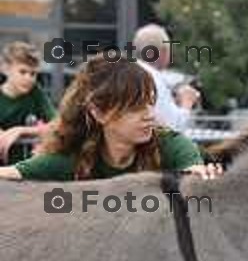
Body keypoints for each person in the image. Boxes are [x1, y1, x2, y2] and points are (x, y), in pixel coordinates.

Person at [0, 55, 221, 181]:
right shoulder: (73, 159)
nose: (149, 115)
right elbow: (12, 173)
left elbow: (195, 172)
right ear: (98, 113)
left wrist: (202, 174)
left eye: (150, 102)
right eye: (135, 106)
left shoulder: (172, 145)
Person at [132, 24, 200, 131]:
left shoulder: (130, 73)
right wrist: (187, 101)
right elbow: (172, 129)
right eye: (167, 49)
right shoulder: (153, 79)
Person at [0, 41, 56, 164]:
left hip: (25, 169)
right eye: (22, 72)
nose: (28, 78)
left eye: (33, 73)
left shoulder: (35, 92)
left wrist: (20, 130)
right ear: (5, 69)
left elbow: (57, 124)